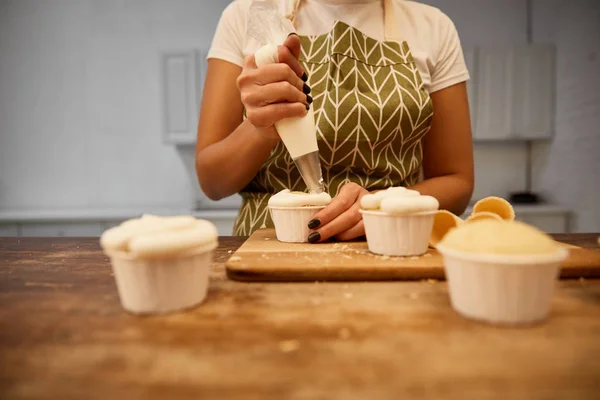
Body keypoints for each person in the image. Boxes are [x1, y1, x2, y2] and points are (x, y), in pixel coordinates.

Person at [195, 0, 474, 243]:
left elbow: (457, 182)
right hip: (265, 247)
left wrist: (380, 205)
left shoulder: (433, 27)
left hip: (388, 243)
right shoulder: (248, 16)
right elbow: (213, 182)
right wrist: (259, 128)